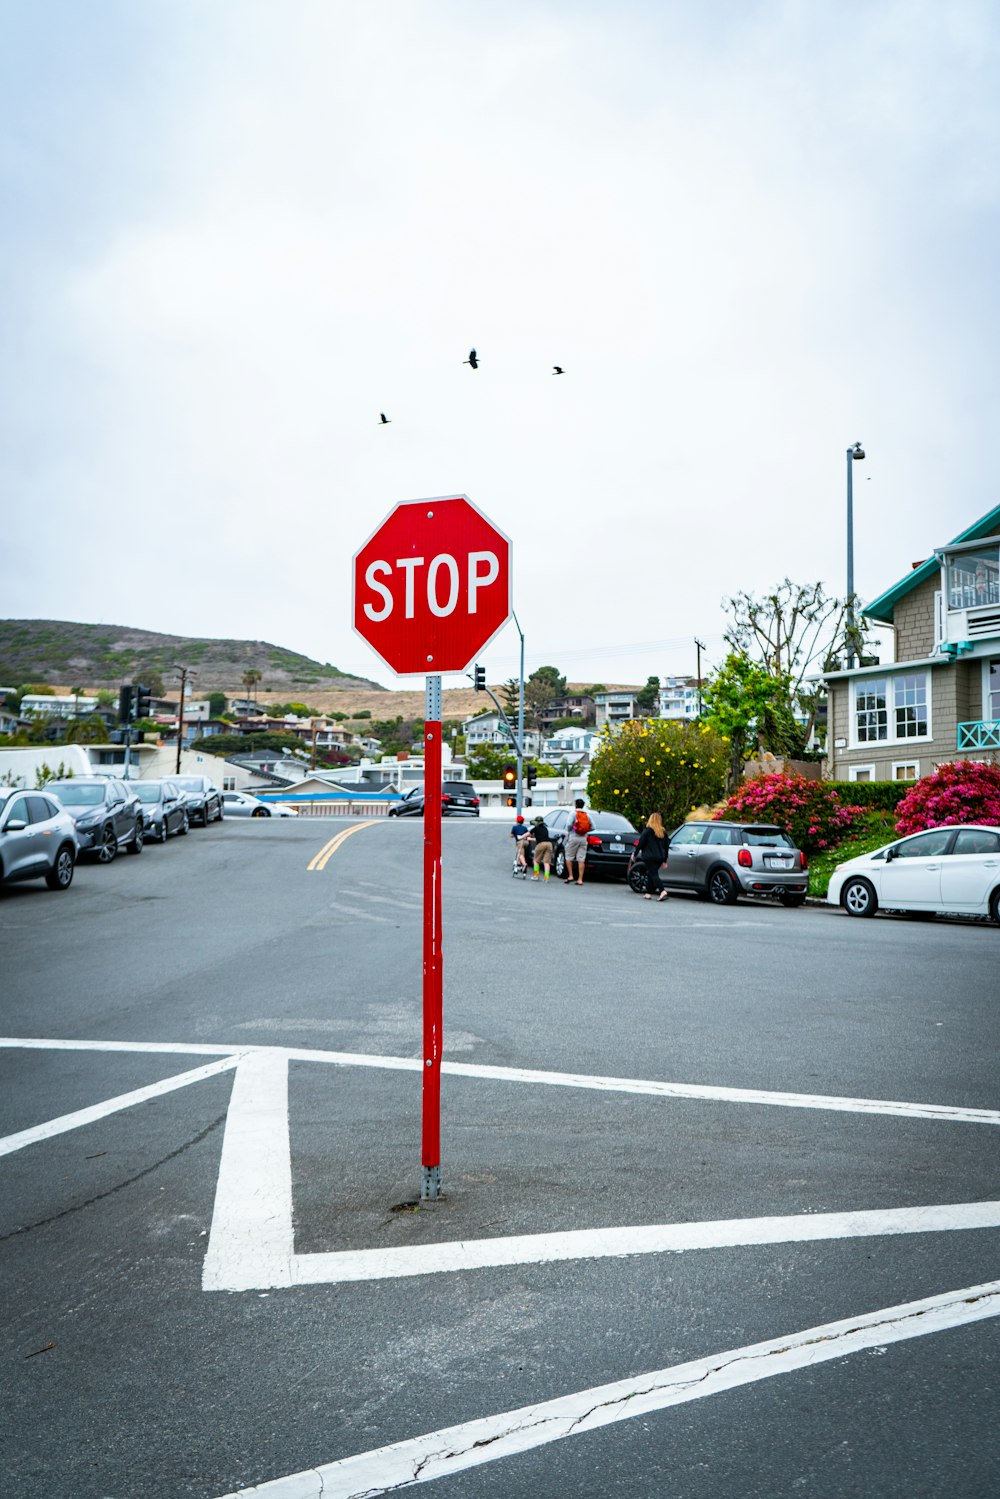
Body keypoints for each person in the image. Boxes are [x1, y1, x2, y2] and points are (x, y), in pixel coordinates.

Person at [636, 811, 669, 901]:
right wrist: (665, 860)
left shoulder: (647, 831)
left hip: (649, 857)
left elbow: (640, 844)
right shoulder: (663, 832)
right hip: (659, 857)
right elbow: (666, 847)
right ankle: (648, 893)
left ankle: (662, 890)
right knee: (651, 873)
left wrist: (634, 854)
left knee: (654, 874)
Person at [562, 798, 592, 885]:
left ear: (576, 805)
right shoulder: (587, 815)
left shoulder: (573, 813)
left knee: (569, 857)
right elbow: (593, 826)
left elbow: (568, 825)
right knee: (581, 859)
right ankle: (580, 879)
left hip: (573, 837)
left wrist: (573, 829)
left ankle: (571, 876)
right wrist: (584, 830)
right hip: (583, 838)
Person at [530, 816, 553, 881]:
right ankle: (546, 878)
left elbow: (528, 834)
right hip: (549, 844)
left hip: (541, 844)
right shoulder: (545, 828)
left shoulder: (536, 828)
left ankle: (536, 876)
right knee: (546, 862)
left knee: (536, 861)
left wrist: (521, 837)